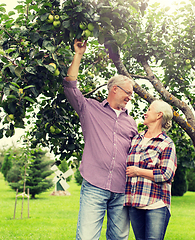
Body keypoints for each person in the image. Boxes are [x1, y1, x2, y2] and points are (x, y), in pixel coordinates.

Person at [63, 38, 138, 240]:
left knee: (119, 238)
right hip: (94, 185)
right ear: (115, 89)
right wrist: (78, 54)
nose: (130, 97)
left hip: (122, 189)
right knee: (87, 237)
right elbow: (70, 87)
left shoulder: (131, 123)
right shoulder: (89, 108)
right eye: (128, 93)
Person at [124, 100, 177, 240]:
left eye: (149, 109)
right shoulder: (136, 139)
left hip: (156, 204)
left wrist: (138, 171)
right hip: (135, 203)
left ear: (159, 115)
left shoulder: (166, 143)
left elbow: (167, 174)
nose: (145, 113)